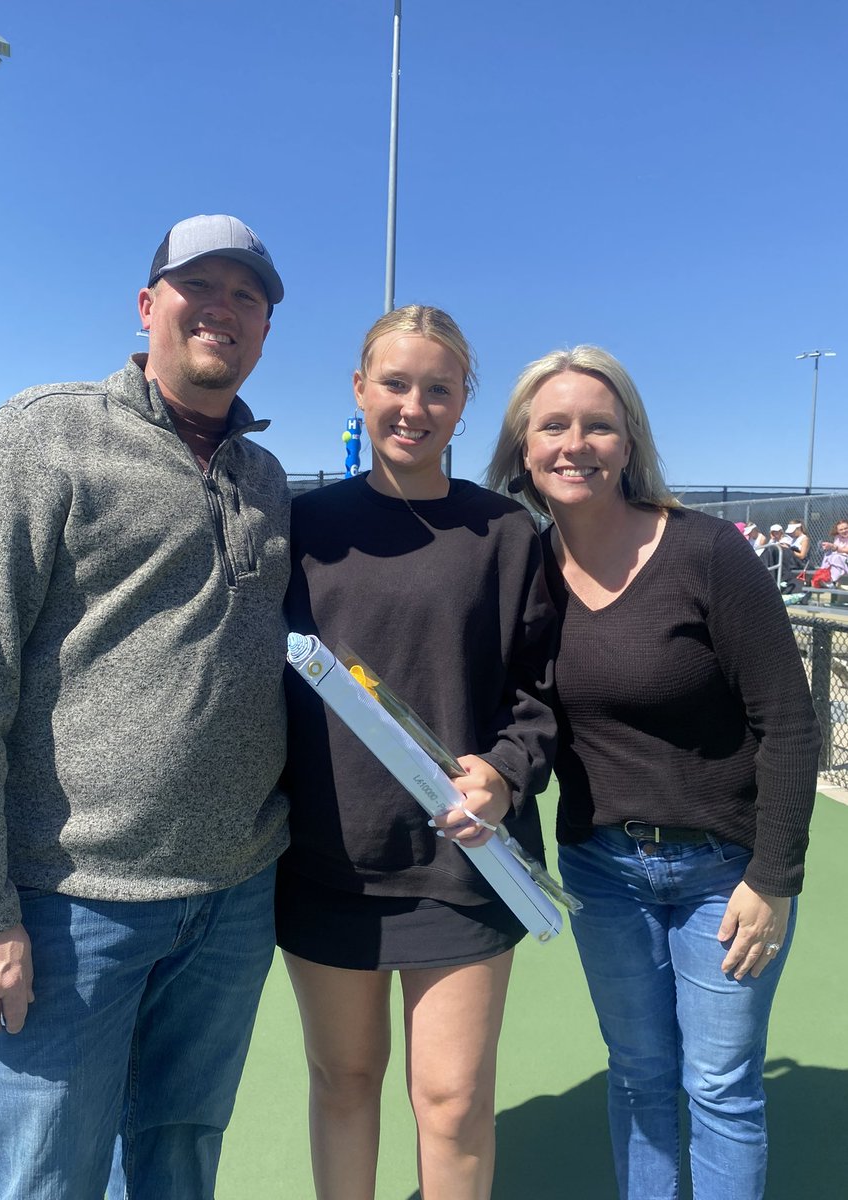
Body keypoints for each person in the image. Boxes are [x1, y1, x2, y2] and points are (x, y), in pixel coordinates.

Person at [0, 214, 291, 1200]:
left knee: (181, 1160)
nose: (223, 309)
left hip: (233, 898)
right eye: (200, 287)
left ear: (266, 330)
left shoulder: (263, 477)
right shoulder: (46, 434)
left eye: (248, 296)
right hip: (71, 904)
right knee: (45, 1176)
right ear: (149, 308)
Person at [487, 345, 820, 1200]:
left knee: (719, 1088)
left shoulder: (707, 553)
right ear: (524, 447)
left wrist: (773, 877)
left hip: (725, 875)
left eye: (599, 425)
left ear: (628, 443)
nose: (576, 443)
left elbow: (787, 720)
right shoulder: (522, 571)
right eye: (553, 425)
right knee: (637, 1075)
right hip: (605, 875)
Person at [278, 305, 556, 1200]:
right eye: (394, 383)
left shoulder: (507, 534)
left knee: (453, 1099)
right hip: (329, 862)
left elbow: (541, 695)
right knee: (345, 1082)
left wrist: (507, 777)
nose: (414, 405)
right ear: (360, 390)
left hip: (464, 863)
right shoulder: (303, 527)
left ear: (464, 402)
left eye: (438, 388)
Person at [812, 517, 848, 587]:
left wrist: (835, 547)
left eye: (846, 528)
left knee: (836, 558)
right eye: (841, 529)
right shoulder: (838, 537)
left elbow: (843, 550)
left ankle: (829, 580)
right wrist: (829, 547)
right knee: (829, 555)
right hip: (841, 561)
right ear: (837, 531)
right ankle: (824, 577)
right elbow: (836, 550)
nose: (844, 531)